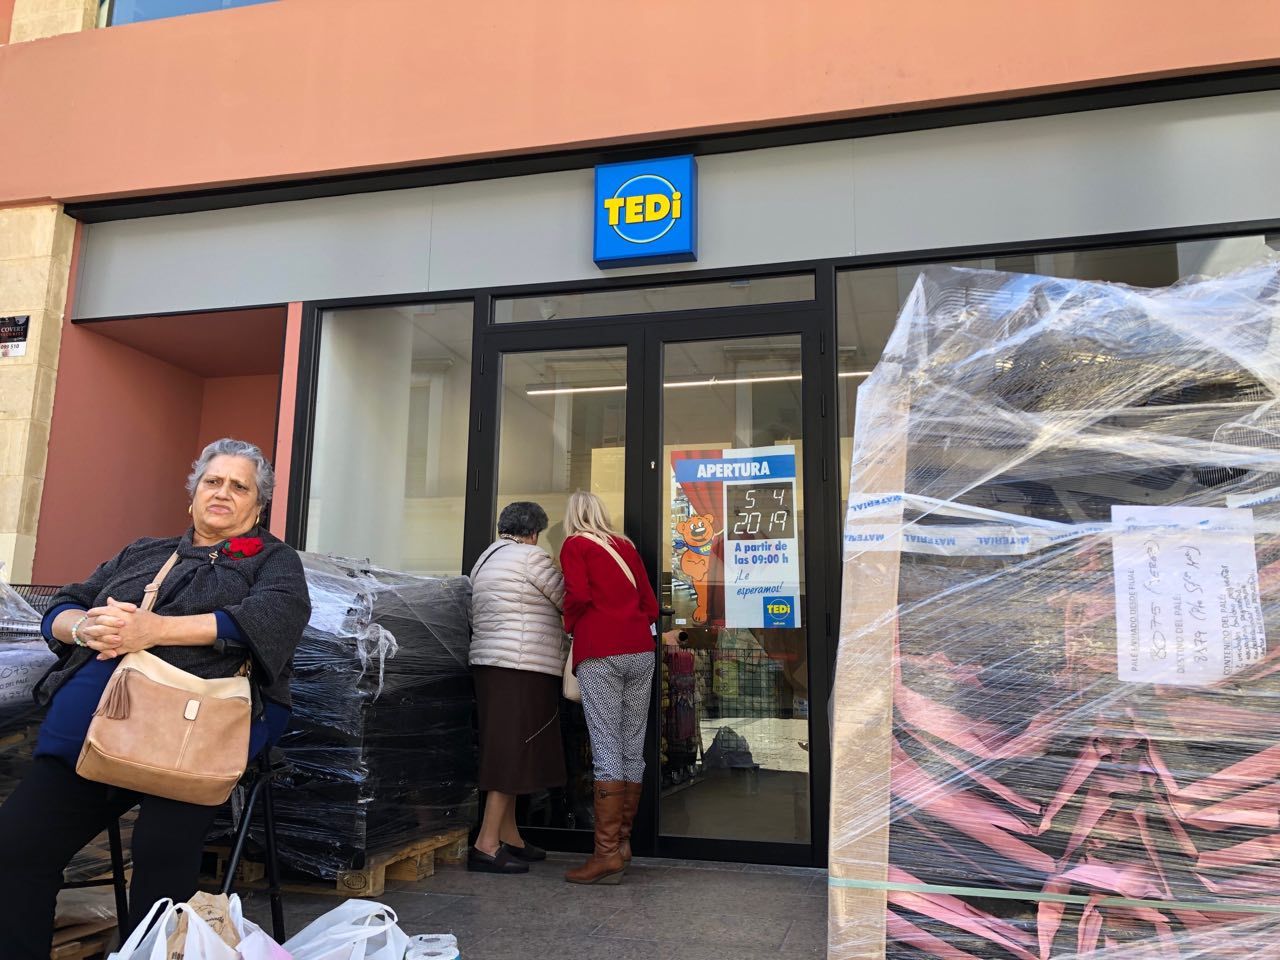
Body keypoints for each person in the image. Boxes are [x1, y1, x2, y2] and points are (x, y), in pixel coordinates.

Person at [0, 438, 311, 959]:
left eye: (240, 487)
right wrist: (85, 627)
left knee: (161, 856)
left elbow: (267, 622)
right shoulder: (143, 551)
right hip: (94, 738)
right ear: (192, 495)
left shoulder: (275, 563)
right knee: (16, 847)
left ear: (258, 506)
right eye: (212, 481)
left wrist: (152, 630)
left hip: (197, 732)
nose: (223, 493)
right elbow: (66, 603)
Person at [559, 491, 659, 885]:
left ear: (572, 516)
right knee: (632, 744)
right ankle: (622, 845)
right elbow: (649, 602)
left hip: (601, 651)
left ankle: (605, 854)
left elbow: (578, 595)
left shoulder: (574, 545)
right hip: (640, 650)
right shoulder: (626, 547)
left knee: (606, 746)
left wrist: (570, 625)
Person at [467, 501, 567, 874]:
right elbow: (567, 600)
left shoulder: (486, 559)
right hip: (524, 666)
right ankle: (486, 844)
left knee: (506, 745)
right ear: (535, 532)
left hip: (489, 664)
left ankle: (510, 835)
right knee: (512, 751)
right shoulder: (531, 558)